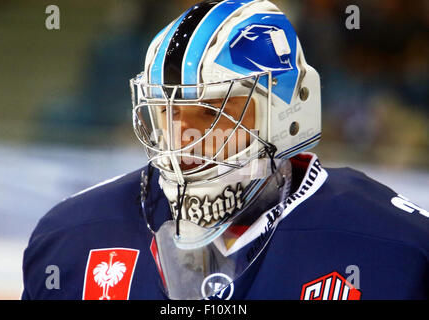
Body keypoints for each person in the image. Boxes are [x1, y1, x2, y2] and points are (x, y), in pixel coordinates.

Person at [22, 0, 428, 300]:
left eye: (213, 111)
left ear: (287, 111)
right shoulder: (71, 235)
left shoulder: (397, 247)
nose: (183, 137)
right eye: (168, 110)